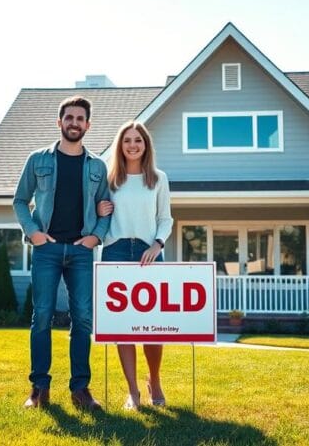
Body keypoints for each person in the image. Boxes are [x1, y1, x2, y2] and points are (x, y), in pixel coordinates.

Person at [13, 95, 111, 411]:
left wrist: (96, 237)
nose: (74, 123)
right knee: (41, 315)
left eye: (80, 118)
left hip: (82, 250)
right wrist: (34, 234)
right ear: (60, 122)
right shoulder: (37, 160)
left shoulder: (97, 165)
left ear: (87, 125)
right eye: (68, 117)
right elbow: (19, 201)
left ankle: (80, 389)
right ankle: (39, 388)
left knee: (82, 318)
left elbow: (106, 207)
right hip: (47, 250)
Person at [97, 120, 173, 410]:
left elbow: (165, 218)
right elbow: (98, 217)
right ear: (120, 144)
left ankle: (154, 380)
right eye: (127, 140)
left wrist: (158, 244)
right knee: (122, 327)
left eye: (137, 140)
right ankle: (133, 392)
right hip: (115, 252)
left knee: (152, 326)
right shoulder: (109, 180)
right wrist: (98, 209)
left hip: (148, 253)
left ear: (145, 144)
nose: (132, 144)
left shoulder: (158, 178)